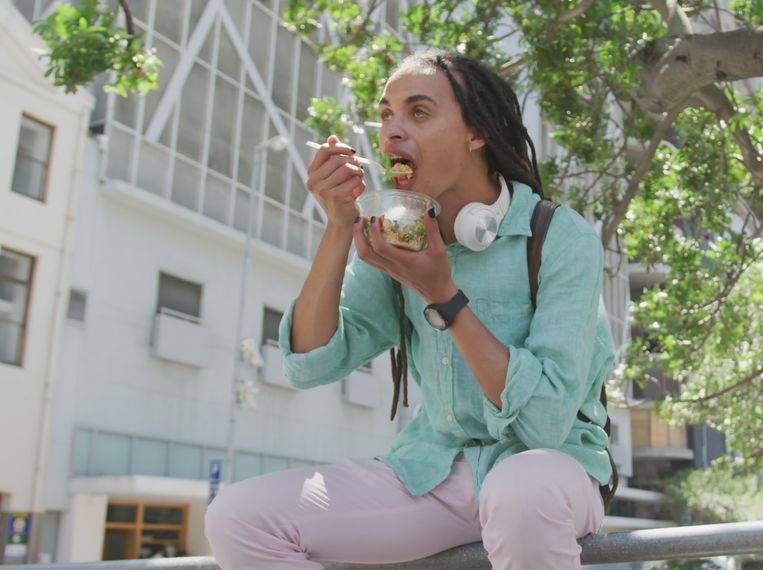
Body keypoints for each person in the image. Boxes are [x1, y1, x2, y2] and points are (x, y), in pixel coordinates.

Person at [204, 50, 615, 569]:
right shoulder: (396, 238)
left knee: (520, 491)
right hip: (431, 472)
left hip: (551, 472)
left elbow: (543, 422)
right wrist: (338, 227)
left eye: (417, 113)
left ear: (477, 132)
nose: (391, 131)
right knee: (237, 517)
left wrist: (444, 295)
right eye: (385, 115)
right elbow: (310, 363)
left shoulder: (559, 237)